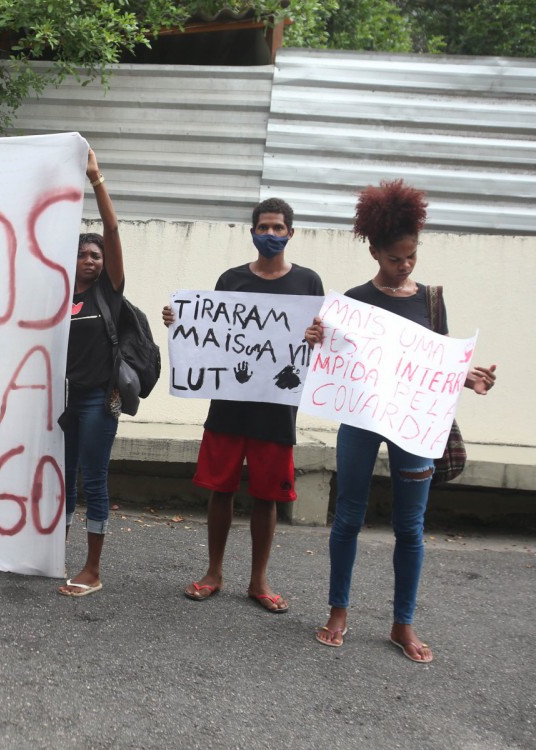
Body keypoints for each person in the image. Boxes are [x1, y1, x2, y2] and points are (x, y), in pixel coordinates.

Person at [315, 180, 497, 662]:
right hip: (360, 419)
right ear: (374, 250)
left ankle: (403, 623)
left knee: (410, 526)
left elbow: (434, 365)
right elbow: (334, 360)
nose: (405, 266)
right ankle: (338, 610)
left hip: (413, 424)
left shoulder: (431, 301)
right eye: (395, 258)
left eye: (411, 256)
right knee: (349, 515)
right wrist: (318, 338)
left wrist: (467, 377)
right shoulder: (353, 301)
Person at [162, 198, 324, 613]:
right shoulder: (231, 279)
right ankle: (213, 572)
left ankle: (259, 581)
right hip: (229, 402)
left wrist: (316, 335)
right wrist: (179, 321)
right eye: (264, 227)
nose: (270, 235)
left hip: (276, 406)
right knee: (221, 488)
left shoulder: (308, 282)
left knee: (268, 496)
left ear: (291, 233)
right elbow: (209, 328)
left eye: (278, 228)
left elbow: (320, 339)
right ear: (252, 231)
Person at [57, 149, 124, 597]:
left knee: (92, 481)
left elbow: (113, 230)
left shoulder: (109, 292)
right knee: (61, 480)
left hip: (99, 401)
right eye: (83, 254)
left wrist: (96, 180)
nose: (91, 260)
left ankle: (92, 570)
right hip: (62, 401)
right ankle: (49, 558)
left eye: (96, 254)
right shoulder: (58, 293)